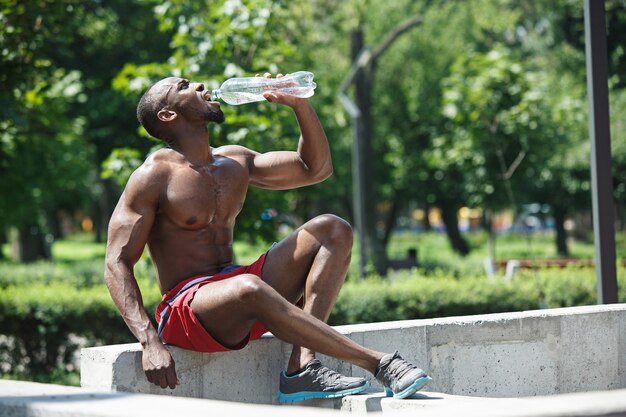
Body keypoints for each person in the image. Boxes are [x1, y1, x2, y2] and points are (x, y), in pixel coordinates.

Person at [104, 72, 431, 403]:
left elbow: (314, 169)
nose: (200, 85)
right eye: (184, 86)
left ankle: (301, 367)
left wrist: (298, 105)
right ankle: (379, 363)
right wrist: (149, 341)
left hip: (238, 288)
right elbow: (116, 262)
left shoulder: (234, 160)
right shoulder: (153, 175)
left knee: (333, 228)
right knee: (250, 288)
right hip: (188, 310)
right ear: (167, 115)